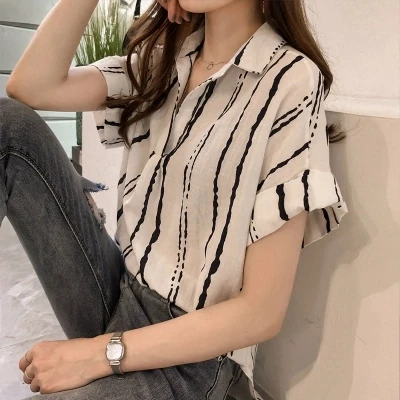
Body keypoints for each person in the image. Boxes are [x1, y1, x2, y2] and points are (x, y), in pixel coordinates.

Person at [1, 0, 349, 399]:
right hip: (119, 293)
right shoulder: (164, 62)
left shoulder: (290, 79)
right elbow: (31, 86)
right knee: (7, 126)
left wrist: (98, 354)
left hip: (196, 360)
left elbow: (261, 312)